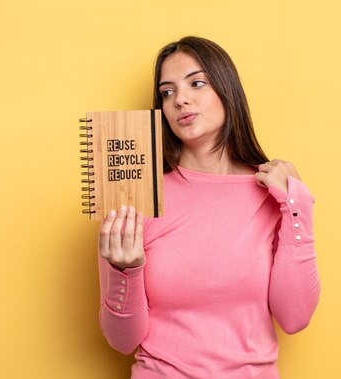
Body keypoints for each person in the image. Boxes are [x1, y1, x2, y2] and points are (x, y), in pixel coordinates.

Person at [97, 36, 321, 379]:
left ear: (227, 90)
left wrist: (297, 208)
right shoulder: (136, 198)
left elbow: (294, 318)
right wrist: (123, 270)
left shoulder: (273, 194)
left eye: (196, 83)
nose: (180, 100)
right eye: (167, 92)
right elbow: (123, 340)